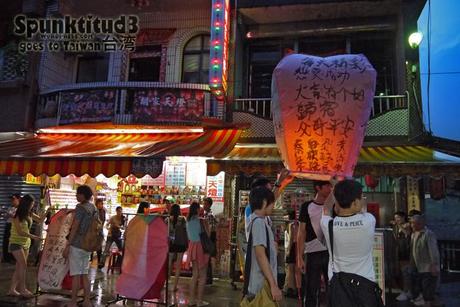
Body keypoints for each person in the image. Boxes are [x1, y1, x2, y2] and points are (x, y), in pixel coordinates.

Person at [321, 179, 383, 307]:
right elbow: (363, 209)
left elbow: (326, 209)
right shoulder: (369, 221)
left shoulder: (328, 225)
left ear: (336, 202)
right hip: (365, 288)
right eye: (361, 197)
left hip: (339, 290)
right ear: (355, 202)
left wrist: (335, 189)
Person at [243, 186, 282, 303]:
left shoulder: (255, 221)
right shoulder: (259, 223)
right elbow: (260, 255)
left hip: (257, 284)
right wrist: (273, 285)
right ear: (265, 203)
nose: (273, 206)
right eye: (272, 203)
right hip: (260, 286)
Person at [297, 180, 332, 307]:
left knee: (332, 288)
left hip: (330, 253)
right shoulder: (306, 206)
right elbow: (301, 232)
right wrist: (299, 257)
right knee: (311, 289)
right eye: (327, 186)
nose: (330, 188)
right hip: (312, 253)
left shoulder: (333, 206)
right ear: (318, 188)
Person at [62, 185, 96, 307]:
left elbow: (75, 227)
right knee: (84, 274)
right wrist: (73, 211)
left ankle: (73, 302)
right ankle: (87, 301)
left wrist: (68, 244)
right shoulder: (92, 207)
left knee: (76, 275)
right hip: (88, 245)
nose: (76, 195)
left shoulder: (80, 207)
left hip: (77, 244)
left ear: (82, 195)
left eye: (77, 193)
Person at [7, 194, 46, 297]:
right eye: (31, 204)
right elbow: (20, 232)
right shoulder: (17, 215)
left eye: (33, 204)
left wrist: (47, 211)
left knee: (19, 267)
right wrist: (34, 237)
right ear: (26, 204)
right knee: (23, 265)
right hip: (16, 243)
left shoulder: (29, 213)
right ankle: (23, 289)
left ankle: (12, 289)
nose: (32, 206)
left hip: (26, 243)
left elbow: (40, 220)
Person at [244, 169, 293, 240]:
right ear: (261, 191)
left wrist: (280, 182)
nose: (270, 194)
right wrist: (279, 182)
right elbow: (272, 199)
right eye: (268, 191)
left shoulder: (261, 212)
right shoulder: (252, 209)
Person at [409, 215, 440, 307]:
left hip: (427, 266)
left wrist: (434, 264)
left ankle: (428, 303)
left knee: (428, 288)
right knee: (421, 286)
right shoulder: (413, 234)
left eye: (413, 223)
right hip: (417, 266)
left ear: (420, 223)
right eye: (411, 223)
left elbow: (433, 250)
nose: (412, 225)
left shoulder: (428, 234)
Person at [185, 202, 210, 306]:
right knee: (203, 275)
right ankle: (199, 301)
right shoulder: (201, 221)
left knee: (194, 274)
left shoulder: (188, 221)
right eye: (199, 208)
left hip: (192, 246)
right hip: (201, 247)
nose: (200, 209)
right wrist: (207, 225)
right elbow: (207, 235)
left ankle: (191, 301)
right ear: (196, 209)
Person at [392, 211, 412, 301]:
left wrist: (398, 225)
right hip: (400, 251)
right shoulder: (397, 227)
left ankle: (407, 291)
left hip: (407, 252)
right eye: (395, 218)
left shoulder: (408, 225)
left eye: (398, 218)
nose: (397, 220)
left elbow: (407, 234)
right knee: (403, 272)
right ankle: (406, 290)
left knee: (406, 272)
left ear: (403, 217)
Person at [168, 204, 188, 291]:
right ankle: (175, 286)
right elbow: (186, 231)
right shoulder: (183, 219)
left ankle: (166, 281)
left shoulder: (168, 219)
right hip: (181, 243)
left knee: (169, 262)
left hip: (171, 243)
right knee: (178, 265)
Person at [284, 209, 300, 298]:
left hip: (293, 246)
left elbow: (290, 239)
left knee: (290, 269)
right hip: (299, 246)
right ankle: (298, 290)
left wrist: (288, 251)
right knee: (297, 270)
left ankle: (291, 289)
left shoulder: (291, 225)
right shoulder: (299, 224)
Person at [3, 193, 21, 263]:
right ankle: (6, 258)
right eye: (11, 199)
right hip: (8, 225)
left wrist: (10, 215)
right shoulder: (10, 207)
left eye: (13, 199)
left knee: (13, 242)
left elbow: (18, 218)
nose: (12, 201)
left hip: (15, 226)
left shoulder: (21, 209)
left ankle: (13, 258)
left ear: (18, 199)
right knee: (6, 241)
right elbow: (6, 217)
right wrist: (4, 215)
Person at [203, 197, 217, 285]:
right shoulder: (207, 214)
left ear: (208, 205)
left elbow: (211, 228)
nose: (203, 205)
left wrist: (207, 238)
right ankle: (207, 278)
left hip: (209, 239)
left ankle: (208, 279)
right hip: (208, 238)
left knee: (207, 259)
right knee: (206, 259)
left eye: (205, 203)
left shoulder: (209, 215)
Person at [92, 199, 106, 269]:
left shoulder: (103, 211)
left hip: (100, 231)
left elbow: (103, 221)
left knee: (99, 246)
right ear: (96, 204)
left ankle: (99, 261)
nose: (101, 205)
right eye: (99, 204)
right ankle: (91, 259)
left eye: (102, 204)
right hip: (93, 230)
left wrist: (100, 228)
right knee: (91, 245)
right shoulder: (94, 211)